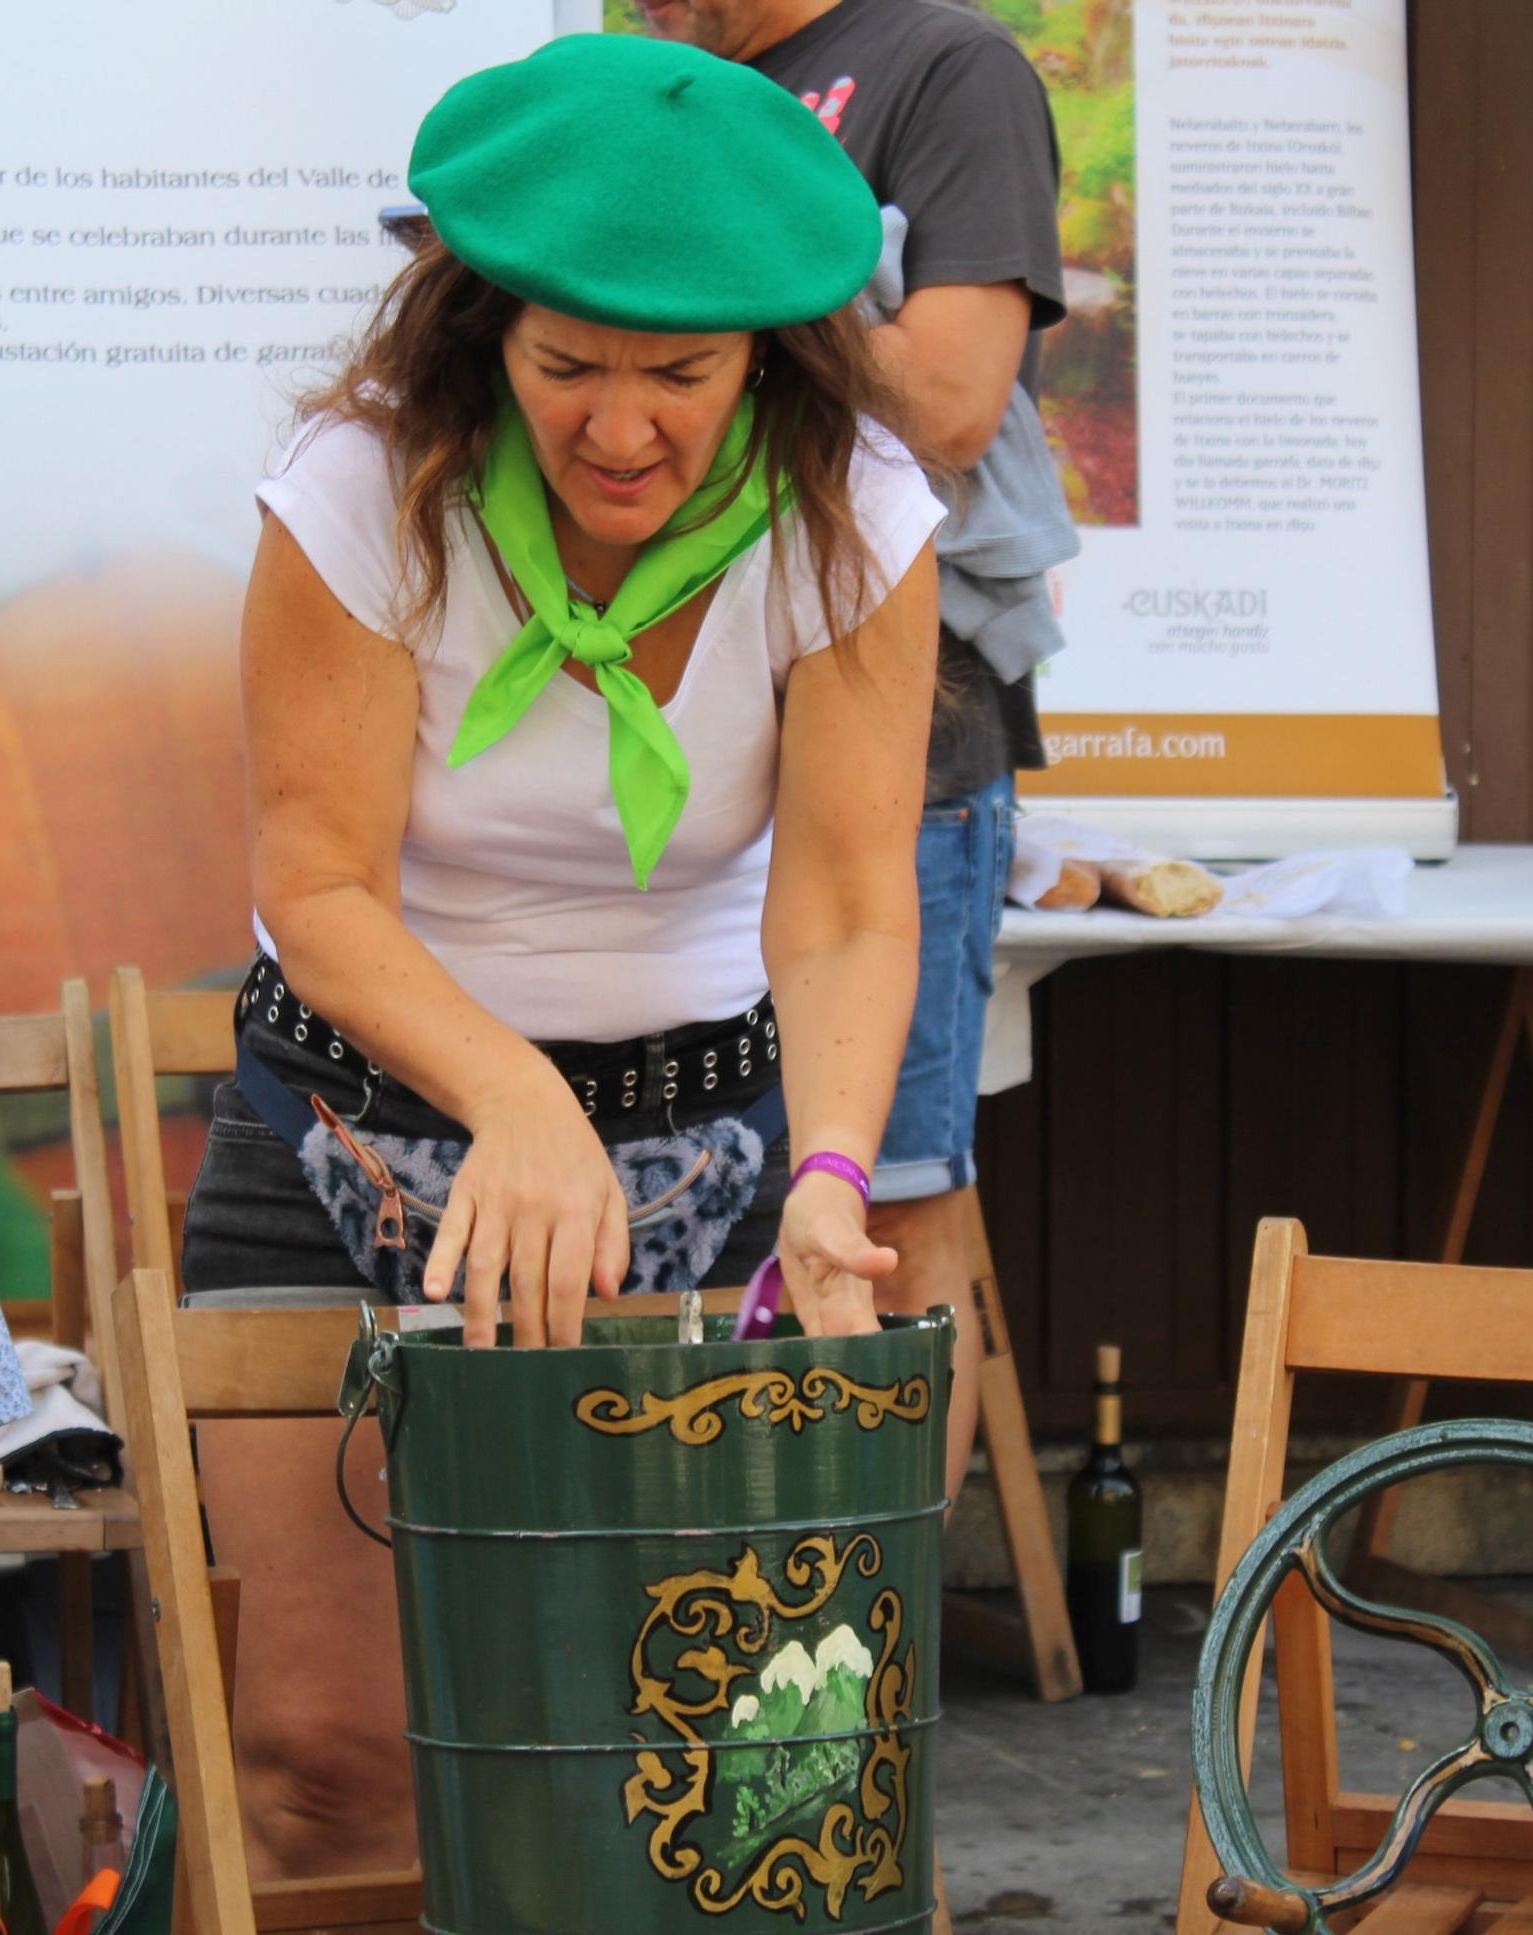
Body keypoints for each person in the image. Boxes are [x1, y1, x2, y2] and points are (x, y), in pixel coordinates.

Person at [177, 33, 944, 1877]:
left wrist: (834, 1173)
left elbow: (842, 900)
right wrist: (513, 1096)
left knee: (715, 1773)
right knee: (321, 1764)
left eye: (679, 375)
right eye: (565, 367)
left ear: (770, 349)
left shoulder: (856, 516)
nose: (620, 428)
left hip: (704, 1151)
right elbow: (321, 878)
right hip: (350, 1127)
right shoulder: (366, 489)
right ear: (482, 334)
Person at [639, 0, 1074, 1502]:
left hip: (911, 740)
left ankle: (870, 1628)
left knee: (886, 1187)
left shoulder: (946, 68)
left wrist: (733, 301)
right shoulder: (672, 87)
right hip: (682, 745)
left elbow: (952, 400)